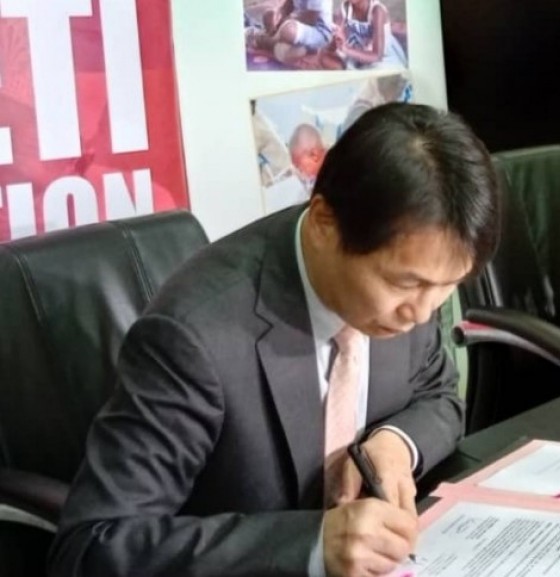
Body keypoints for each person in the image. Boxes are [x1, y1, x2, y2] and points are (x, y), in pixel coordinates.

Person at [48, 103, 501, 577]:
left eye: (447, 286)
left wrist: (394, 442)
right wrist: (310, 545)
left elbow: (439, 397)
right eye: (406, 285)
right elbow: (93, 546)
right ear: (325, 224)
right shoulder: (194, 338)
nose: (423, 312)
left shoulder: (413, 274)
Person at [247, 0, 336, 66]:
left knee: (289, 30)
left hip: (318, 32)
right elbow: (287, 6)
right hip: (297, 24)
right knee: (268, 14)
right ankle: (277, 42)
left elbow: (310, 19)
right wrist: (278, 16)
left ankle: (265, 40)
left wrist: (286, 22)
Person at [328, 0, 408, 70]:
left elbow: (377, 56)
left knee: (375, 74)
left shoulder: (377, 11)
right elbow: (336, 44)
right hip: (358, 55)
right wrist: (338, 39)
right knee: (326, 60)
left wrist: (346, 49)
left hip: (382, 59)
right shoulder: (345, 9)